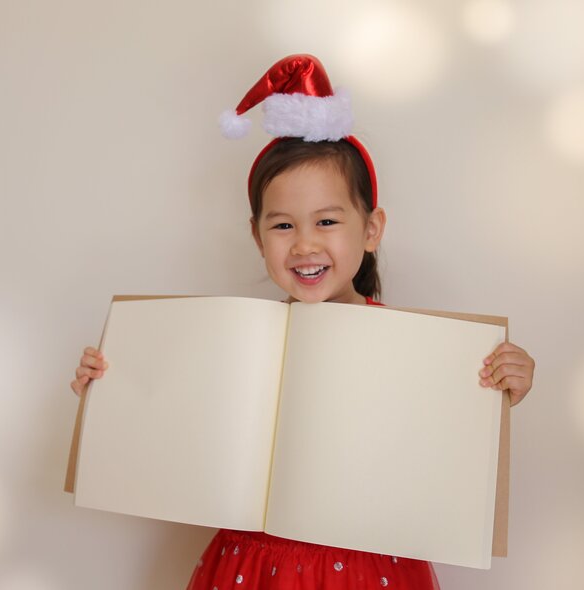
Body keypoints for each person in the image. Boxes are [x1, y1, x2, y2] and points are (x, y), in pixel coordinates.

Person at [70, 55, 535, 590]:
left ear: (371, 228)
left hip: (368, 569)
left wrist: (504, 387)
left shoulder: (418, 348)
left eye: (328, 221)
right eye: (284, 225)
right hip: (251, 567)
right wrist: (109, 389)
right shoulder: (228, 344)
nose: (305, 244)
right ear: (257, 235)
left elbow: (449, 436)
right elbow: (171, 428)